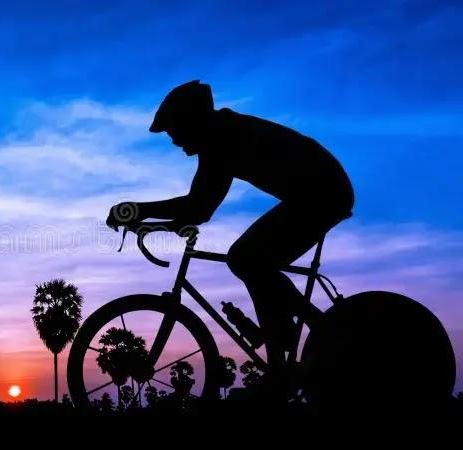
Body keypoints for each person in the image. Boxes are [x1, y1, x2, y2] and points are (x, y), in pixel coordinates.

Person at [106, 80, 355, 399]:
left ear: (191, 120)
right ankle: (287, 346)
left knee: (246, 258)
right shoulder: (221, 133)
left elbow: (198, 207)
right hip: (318, 188)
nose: (174, 141)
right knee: (254, 261)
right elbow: (200, 208)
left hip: (322, 192)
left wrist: (137, 211)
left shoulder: (220, 139)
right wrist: (154, 220)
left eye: (174, 131)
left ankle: (300, 345)